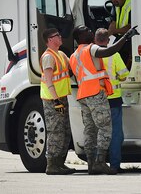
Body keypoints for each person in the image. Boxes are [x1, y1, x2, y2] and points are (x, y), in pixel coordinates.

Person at [69, 25, 135, 175]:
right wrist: (126, 37)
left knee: (90, 130)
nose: (90, 31)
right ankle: (100, 162)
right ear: (81, 37)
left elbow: (72, 73)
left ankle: (91, 164)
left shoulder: (74, 55)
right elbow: (109, 51)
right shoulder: (90, 49)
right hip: (95, 93)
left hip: (83, 95)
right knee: (106, 128)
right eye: (87, 30)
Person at [39, 28, 75, 175]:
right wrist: (56, 101)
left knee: (65, 131)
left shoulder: (60, 54)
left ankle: (60, 163)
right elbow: (48, 80)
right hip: (52, 100)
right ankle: (52, 165)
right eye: (57, 36)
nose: (60, 37)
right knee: (55, 131)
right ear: (50, 40)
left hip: (61, 98)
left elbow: (71, 67)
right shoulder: (48, 57)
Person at [95, 29, 130, 173]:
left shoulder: (91, 56)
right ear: (108, 41)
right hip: (114, 99)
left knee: (98, 132)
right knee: (116, 134)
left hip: (96, 99)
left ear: (95, 41)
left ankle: (97, 163)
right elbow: (123, 75)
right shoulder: (114, 55)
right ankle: (114, 165)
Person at [106, 0, 133, 70]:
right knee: (110, 50)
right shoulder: (116, 4)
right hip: (122, 36)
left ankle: (123, 73)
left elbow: (131, 27)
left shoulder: (132, 3)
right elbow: (113, 22)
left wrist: (114, 31)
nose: (113, 0)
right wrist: (106, 36)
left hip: (132, 37)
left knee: (119, 51)